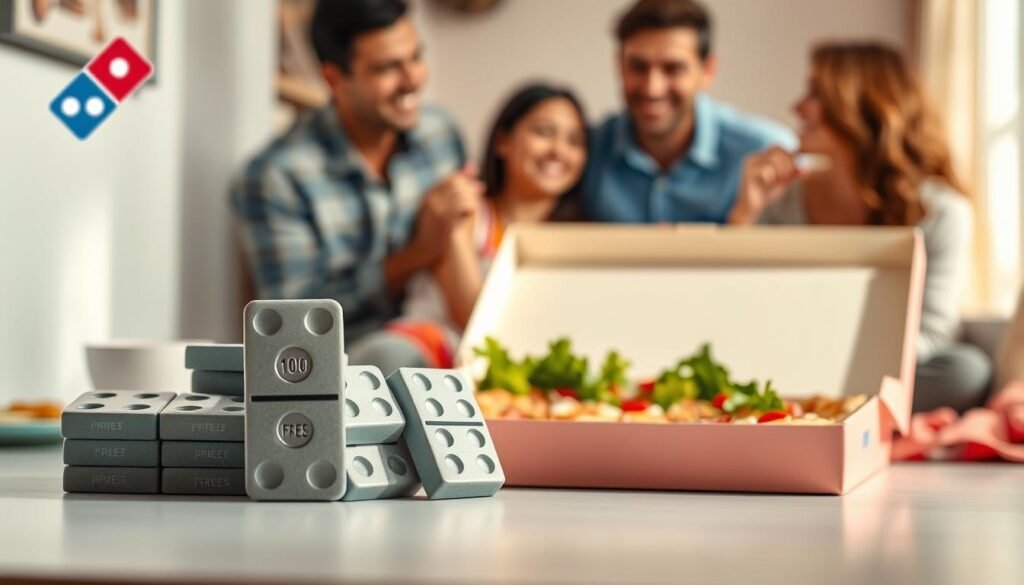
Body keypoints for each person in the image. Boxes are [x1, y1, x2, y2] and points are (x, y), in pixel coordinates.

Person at [730, 42, 991, 413]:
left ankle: (829, 403)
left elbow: (933, 334)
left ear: (863, 107)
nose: (797, 107)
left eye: (816, 94)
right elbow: (736, 308)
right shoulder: (783, 201)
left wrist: (838, 358)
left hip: (874, 369)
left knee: (967, 370)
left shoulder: (941, 211)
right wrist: (745, 212)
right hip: (789, 359)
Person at [232, 0, 483, 374]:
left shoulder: (440, 135)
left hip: (445, 334)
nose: (412, 79)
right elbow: (291, 322)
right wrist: (417, 253)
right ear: (335, 79)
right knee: (396, 358)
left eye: (415, 57)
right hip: (342, 363)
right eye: (387, 68)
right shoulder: (277, 177)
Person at [400, 83, 589, 364]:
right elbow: (475, 321)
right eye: (543, 132)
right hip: (424, 361)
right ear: (503, 141)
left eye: (574, 141)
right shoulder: (464, 212)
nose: (558, 151)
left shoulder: (578, 240)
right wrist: (452, 231)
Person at [583, 0, 794, 224]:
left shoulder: (763, 150)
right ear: (619, 66)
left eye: (673, 68)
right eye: (638, 67)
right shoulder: (588, 151)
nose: (653, 88)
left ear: (707, 70)